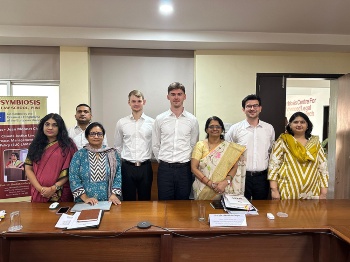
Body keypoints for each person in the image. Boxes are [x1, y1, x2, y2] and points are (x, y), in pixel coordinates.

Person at [152, 82, 199, 200]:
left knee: (182, 205)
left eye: (179, 94)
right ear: (168, 97)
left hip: (184, 170)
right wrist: (165, 161)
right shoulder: (160, 119)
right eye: (173, 94)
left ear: (185, 96)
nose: (176, 97)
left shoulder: (192, 120)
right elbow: (156, 145)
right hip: (165, 170)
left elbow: (193, 144)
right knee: (164, 204)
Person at [268, 112, 329, 200]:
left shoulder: (315, 144)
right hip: (287, 190)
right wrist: (274, 190)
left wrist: (324, 192)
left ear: (307, 125)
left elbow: (323, 168)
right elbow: (273, 166)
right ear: (290, 125)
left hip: (312, 190)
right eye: (295, 122)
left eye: (302, 122)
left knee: (312, 214)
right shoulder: (283, 142)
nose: (299, 124)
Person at [225, 94, 275, 200]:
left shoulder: (269, 128)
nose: (252, 109)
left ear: (260, 108)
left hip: (262, 177)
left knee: (261, 209)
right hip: (241, 176)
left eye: (255, 106)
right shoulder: (235, 129)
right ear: (243, 109)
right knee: (240, 208)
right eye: (249, 106)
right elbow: (228, 153)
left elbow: (270, 151)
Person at [25, 113, 77, 202]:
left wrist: (54, 188)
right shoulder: (35, 145)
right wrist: (40, 189)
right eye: (47, 124)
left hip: (61, 192)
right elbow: (28, 168)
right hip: (39, 192)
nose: (50, 128)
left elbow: (72, 170)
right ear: (42, 126)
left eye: (54, 125)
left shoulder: (68, 145)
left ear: (60, 128)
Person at [191, 116, 245, 200]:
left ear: (222, 129)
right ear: (206, 130)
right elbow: (194, 168)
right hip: (203, 188)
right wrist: (210, 183)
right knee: (202, 212)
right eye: (211, 127)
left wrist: (225, 182)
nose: (214, 129)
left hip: (224, 188)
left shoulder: (229, 147)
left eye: (218, 127)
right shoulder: (200, 145)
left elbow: (235, 167)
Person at [114, 90, 154, 201]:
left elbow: (156, 144)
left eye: (139, 101)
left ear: (144, 102)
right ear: (129, 103)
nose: (136, 103)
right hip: (127, 167)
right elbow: (117, 146)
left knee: (145, 200)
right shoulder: (121, 123)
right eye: (133, 101)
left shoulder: (152, 122)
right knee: (128, 200)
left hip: (145, 167)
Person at [69, 122, 122, 205]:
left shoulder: (112, 154)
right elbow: (73, 178)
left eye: (99, 134)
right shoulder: (79, 155)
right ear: (87, 136)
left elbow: (118, 176)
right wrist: (85, 198)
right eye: (92, 134)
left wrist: (113, 195)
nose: (96, 136)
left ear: (103, 136)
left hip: (109, 201)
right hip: (85, 203)